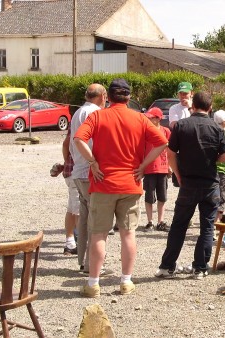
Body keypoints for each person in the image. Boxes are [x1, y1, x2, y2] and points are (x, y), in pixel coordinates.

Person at [75, 79, 168, 297]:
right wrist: (144, 166)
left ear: (109, 97)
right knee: (128, 234)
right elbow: (163, 142)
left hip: (102, 183)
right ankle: (125, 281)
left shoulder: (98, 115)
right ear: (128, 96)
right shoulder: (140, 118)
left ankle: (93, 284)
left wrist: (92, 162)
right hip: (130, 183)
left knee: (98, 234)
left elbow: (79, 139)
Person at [155, 92, 225, 280]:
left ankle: (167, 266)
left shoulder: (181, 126)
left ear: (192, 106)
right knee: (206, 227)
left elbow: (170, 153)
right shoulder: (217, 128)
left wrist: (178, 174)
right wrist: (211, 160)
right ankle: (200, 268)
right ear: (210, 108)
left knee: (179, 225)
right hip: (210, 184)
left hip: (188, 182)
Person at [68, 83, 108, 274]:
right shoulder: (94, 113)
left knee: (84, 220)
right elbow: (91, 141)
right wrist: (94, 162)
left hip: (78, 170)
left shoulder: (78, 112)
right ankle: (92, 264)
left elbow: (70, 140)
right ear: (102, 96)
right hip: (88, 172)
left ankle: (84, 261)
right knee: (95, 220)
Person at [142, 107, 172, 232]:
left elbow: (170, 150)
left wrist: (170, 166)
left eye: (151, 117)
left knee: (162, 196)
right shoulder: (144, 131)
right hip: (149, 168)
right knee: (149, 196)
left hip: (163, 168)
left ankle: (161, 221)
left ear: (158, 118)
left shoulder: (166, 131)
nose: (148, 119)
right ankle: (150, 222)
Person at [62, 130, 79, 255]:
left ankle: (70, 242)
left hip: (71, 171)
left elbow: (65, 144)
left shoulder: (75, 120)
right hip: (76, 173)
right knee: (78, 210)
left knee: (72, 208)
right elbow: (65, 144)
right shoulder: (83, 120)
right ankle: (82, 246)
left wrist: (66, 161)